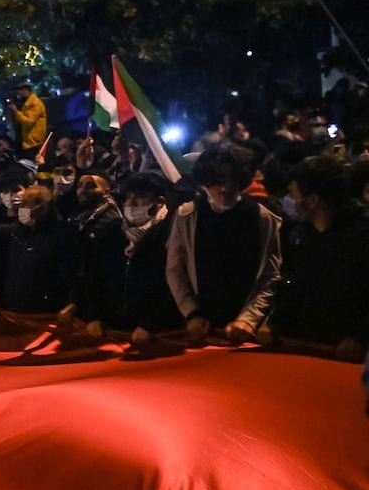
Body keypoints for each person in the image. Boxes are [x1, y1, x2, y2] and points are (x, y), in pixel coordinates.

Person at [166, 148, 281, 343]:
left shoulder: (262, 218)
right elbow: (175, 269)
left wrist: (249, 319)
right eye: (217, 181)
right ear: (204, 182)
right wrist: (192, 313)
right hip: (202, 326)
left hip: (248, 327)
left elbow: (270, 274)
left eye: (231, 180)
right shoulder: (187, 215)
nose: (224, 188)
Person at [264, 156, 369, 361]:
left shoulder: (362, 234)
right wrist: (275, 322)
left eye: (293, 194)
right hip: (309, 346)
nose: (290, 200)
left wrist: (360, 337)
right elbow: (292, 283)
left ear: (312, 200)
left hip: (354, 353)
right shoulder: (299, 235)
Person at [0, 185, 78, 314]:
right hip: (13, 306)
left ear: (43, 207)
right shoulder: (15, 231)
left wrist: (71, 303)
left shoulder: (60, 236)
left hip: (45, 311)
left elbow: (70, 275)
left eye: (27, 204)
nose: (22, 208)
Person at [116, 172, 181, 343]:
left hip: (160, 332)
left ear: (159, 202)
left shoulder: (173, 232)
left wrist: (149, 324)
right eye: (128, 197)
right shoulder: (115, 232)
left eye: (141, 197)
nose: (132, 203)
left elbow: (177, 284)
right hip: (120, 328)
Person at [63, 171, 125, 335]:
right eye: (80, 186)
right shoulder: (80, 215)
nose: (82, 190)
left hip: (96, 306)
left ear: (107, 191)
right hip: (81, 298)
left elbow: (99, 271)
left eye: (91, 186)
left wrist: (95, 314)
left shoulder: (111, 221)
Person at [8, 83, 47, 156]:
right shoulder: (26, 103)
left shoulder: (35, 104)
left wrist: (16, 111)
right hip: (27, 142)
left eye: (18, 94)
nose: (18, 96)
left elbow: (28, 122)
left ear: (24, 90)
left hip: (34, 143)